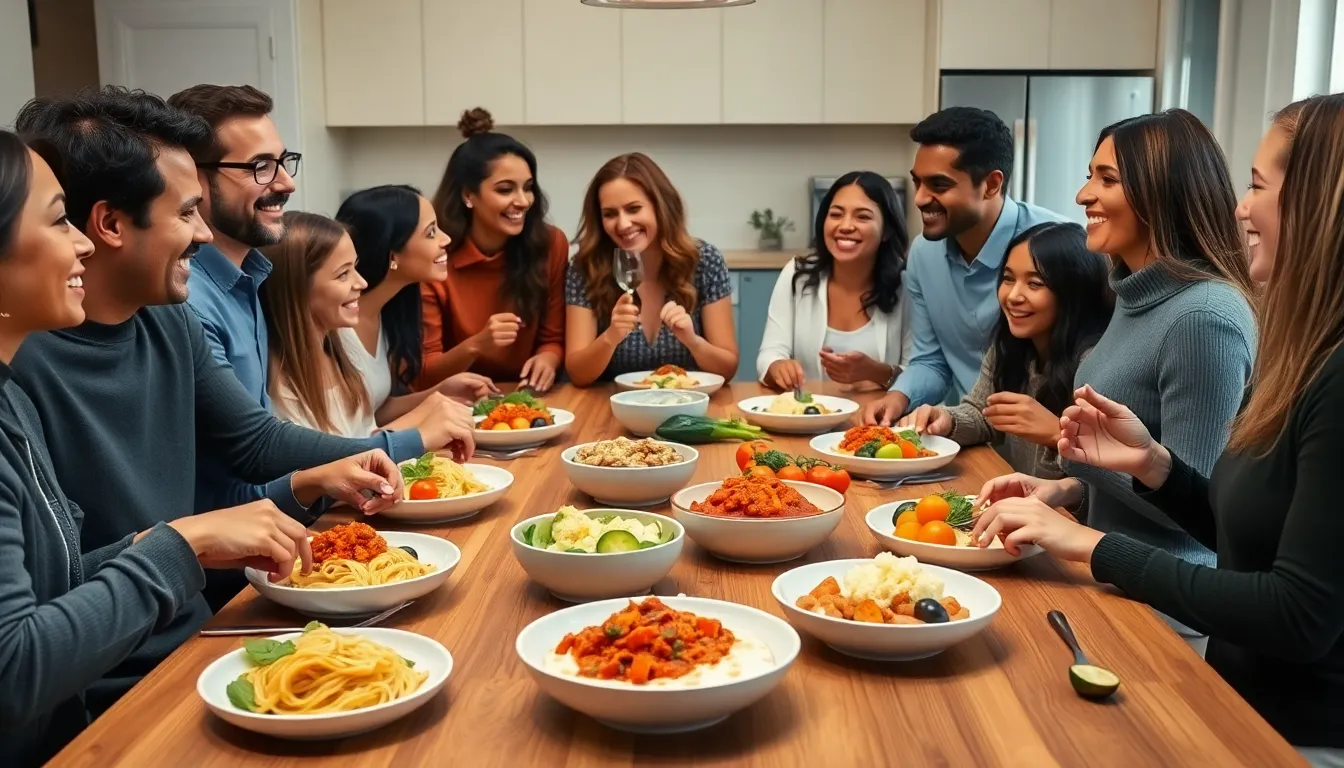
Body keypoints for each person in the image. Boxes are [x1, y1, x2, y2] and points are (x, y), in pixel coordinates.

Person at [970, 94, 1344, 766]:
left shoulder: (1220, 321)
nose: (1240, 206)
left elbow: (1297, 612)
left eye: (1257, 186)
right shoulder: (1159, 304)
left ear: (1316, 202)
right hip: (1221, 684)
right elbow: (1245, 528)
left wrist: (1088, 541)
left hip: (1272, 717)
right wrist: (1147, 468)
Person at [10, 86, 407, 715]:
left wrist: (362, 458)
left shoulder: (167, 319)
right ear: (110, 224)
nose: (203, 232)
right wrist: (185, 541)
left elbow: (252, 440)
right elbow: (35, 632)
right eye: (187, 211)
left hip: (192, 637)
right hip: (106, 684)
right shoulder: (21, 363)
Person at [977, 109, 1258, 654]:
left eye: (1107, 179)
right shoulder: (1135, 296)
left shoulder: (1203, 318)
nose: (1083, 194)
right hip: (1106, 581)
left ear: (1162, 191)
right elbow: (1142, 470)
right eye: (1090, 175)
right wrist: (1066, 489)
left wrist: (1078, 516)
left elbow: (1199, 511)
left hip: (1164, 618)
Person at [167, 85, 442, 514]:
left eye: (282, 162)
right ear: (195, 180)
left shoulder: (250, 278)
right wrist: (407, 441)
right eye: (260, 167)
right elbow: (254, 447)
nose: (286, 182)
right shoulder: (187, 299)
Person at [862, 108, 1065, 425]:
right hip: (968, 430)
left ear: (991, 184)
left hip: (1051, 447)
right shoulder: (922, 255)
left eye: (939, 186)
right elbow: (931, 360)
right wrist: (898, 396)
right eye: (918, 183)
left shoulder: (1062, 246)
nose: (919, 199)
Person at [898, 222, 1111, 479]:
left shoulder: (1096, 367)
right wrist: (946, 419)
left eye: (1035, 284)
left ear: (1074, 291)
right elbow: (983, 414)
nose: (1013, 296)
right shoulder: (1010, 345)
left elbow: (1101, 487)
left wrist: (1057, 435)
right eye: (1008, 279)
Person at [261, 211, 488, 436]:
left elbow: (366, 434)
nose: (361, 282)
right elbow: (340, 459)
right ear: (297, 290)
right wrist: (423, 415)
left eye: (355, 268)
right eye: (343, 275)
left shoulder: (338, 357)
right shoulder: (281, 385)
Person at [418, 108, 567, 391]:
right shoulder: (433, 256)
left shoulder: (550, 245)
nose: (523, 201)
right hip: (456, 401)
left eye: (528, 188)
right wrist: (477, 345)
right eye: (505, 189)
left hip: (529, 396)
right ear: (468, 195)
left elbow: (553, 337)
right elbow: (424, 371)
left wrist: (548, 358)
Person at [565, 152, 737, 385]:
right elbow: (578, 374)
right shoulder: (586, 267)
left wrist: (693, 341)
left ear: (660, 206)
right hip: (612, 408)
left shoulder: (704, 261)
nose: (623, 224)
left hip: (688, 407)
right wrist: (610, 337)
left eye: (634, 209)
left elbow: (727, 369)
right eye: (610, 214)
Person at [335, 184, 498, 419]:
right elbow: (348, 433)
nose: (446, 239)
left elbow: (374, 412)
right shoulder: (334, 328)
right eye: (431, 232)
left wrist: (438, 394)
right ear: (393, 254)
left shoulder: (387, 313)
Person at [757, 171, 910, 391]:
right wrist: (777, 366)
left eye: (863, 217)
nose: (845, 226)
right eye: (836, 214)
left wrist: (874, 371)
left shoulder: (905, 285)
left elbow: (923, 375)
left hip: (879, 422)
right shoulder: (797, 274)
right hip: (810, 420)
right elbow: (769, 353)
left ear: (886, 230)